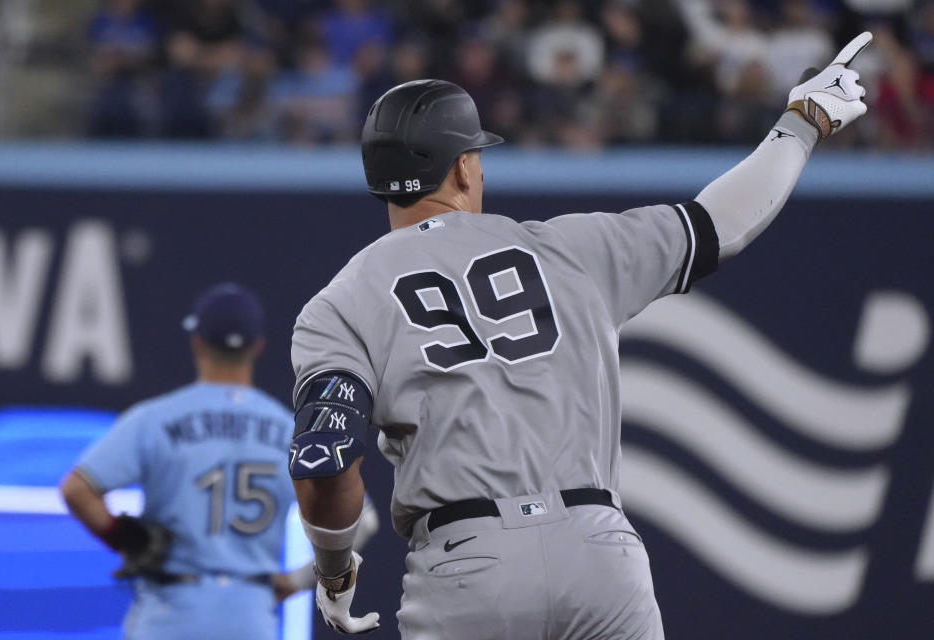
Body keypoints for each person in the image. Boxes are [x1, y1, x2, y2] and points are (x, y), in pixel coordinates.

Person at [287, 32, 873, 639]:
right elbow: (721, 222)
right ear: (463, 166)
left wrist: (333, 570)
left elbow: (325, 463)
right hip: (598, 554)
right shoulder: (568, 248)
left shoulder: (339, 304)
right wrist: (803, 123)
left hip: (466, 563)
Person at [59, 282, 378, 639]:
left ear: (196, 342)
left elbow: (77, 489)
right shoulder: (287, 429)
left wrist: (124, 537)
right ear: (258, 347)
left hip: (169, 612)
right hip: (249, 613)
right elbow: (362, 520)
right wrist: (297, 581)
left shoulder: (156, 418)